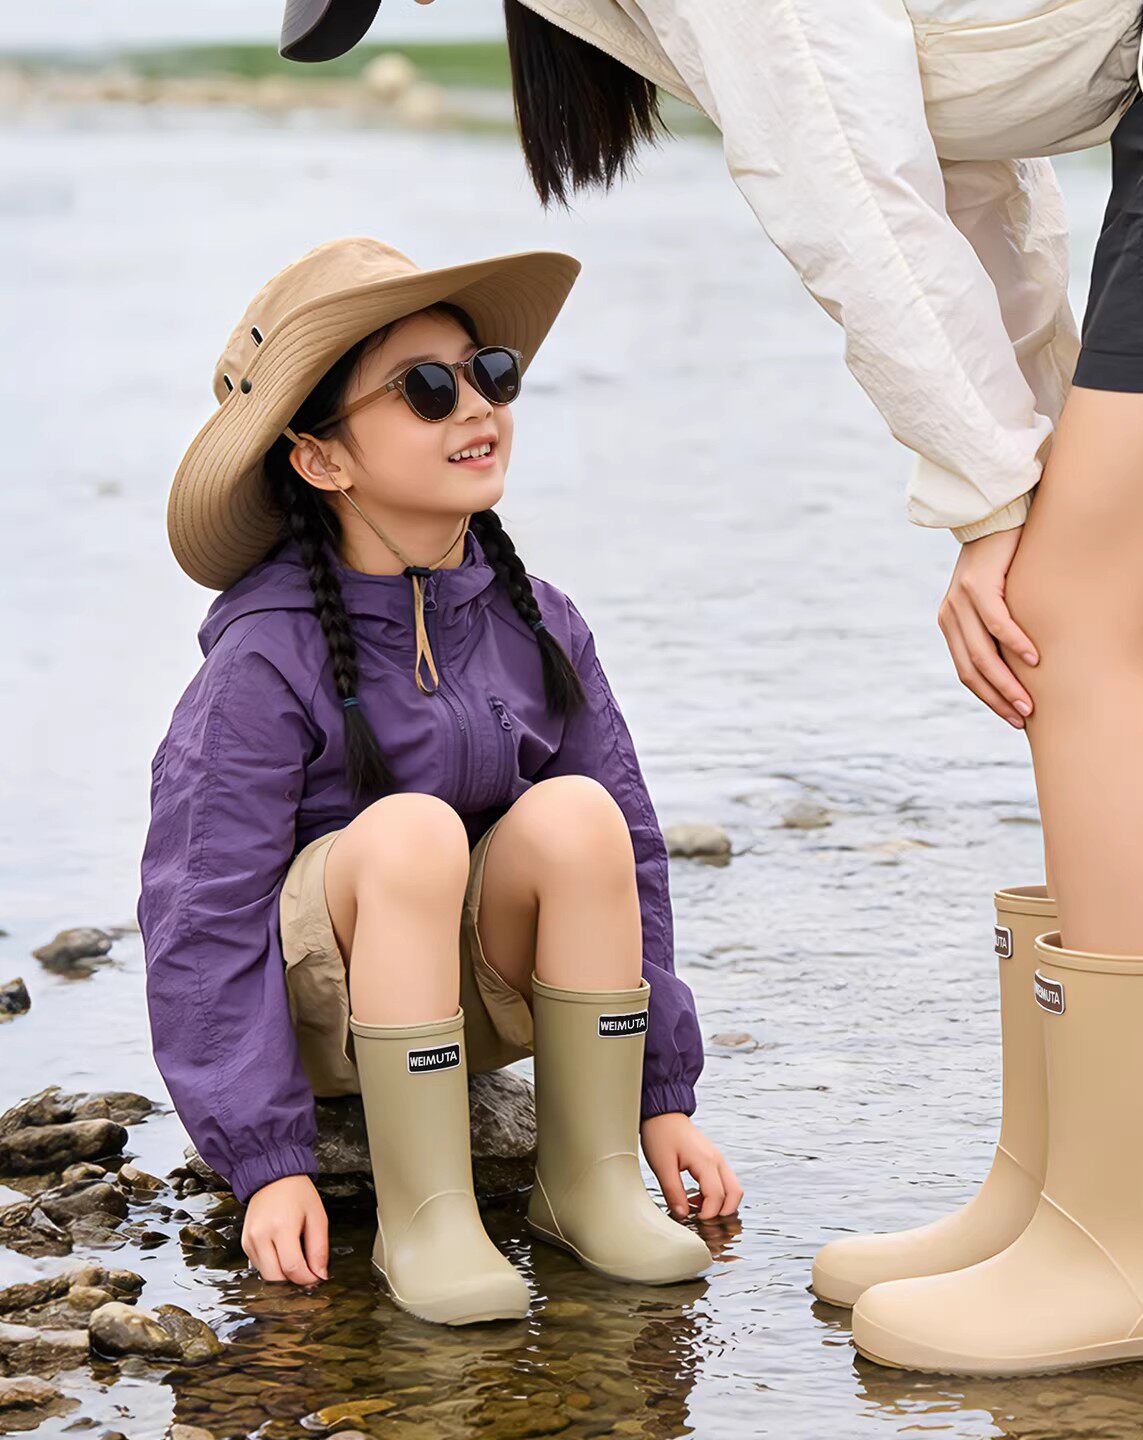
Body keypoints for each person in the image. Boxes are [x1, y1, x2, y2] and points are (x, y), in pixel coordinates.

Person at [277, 0, 1143, 1372]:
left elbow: (846, 184)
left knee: (1084, 627)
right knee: (1080, 610)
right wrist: (1025, 469)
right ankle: (1059, 1199)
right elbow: (972, 176)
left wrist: (992, 494)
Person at [137, 235, 742, 1326]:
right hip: (325, 1016)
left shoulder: (537, 622)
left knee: (582, 816)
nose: (475, 406)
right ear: (321, 459)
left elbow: (635, 864)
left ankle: (588, 1183)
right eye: (424, 389)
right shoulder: (264, 657)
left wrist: (662, 1097)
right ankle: (425, 1218)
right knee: (411, 830)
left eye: (487, 373)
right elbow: (201, 912)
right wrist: (265, 1159)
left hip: (476, 998)